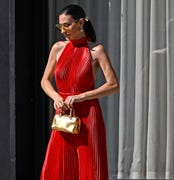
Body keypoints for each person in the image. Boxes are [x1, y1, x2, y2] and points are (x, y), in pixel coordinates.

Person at [40, 4, 119, 180]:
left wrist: (81, 96)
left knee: (90, 167)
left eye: (66, 25)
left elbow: (113, 85)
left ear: (81, 22)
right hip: (64, 115)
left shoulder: (96, 51)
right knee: (58, 166)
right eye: (60, 26)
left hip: (89, 116)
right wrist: (56, 97)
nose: (63, 30)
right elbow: (44, 80)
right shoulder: (57, 48)